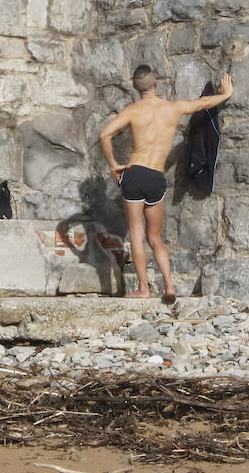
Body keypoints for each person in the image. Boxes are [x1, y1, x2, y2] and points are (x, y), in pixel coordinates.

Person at [99, 66, 233, 304]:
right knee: (156, 238)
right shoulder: (173, 108)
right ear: (156, 83)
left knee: (137, 235)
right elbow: (201, 103)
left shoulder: (132, 111)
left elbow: (104, 135)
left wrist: (113, 164)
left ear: (135, 87)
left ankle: (143, 288)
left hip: (134, 172)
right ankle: (169, 286)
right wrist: (225, 94)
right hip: (155, 178)